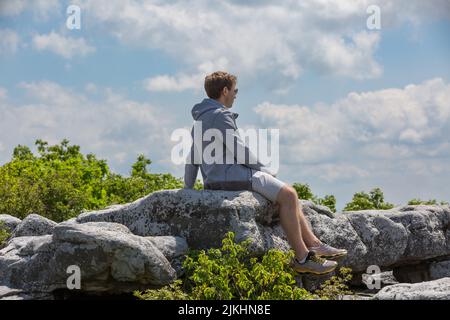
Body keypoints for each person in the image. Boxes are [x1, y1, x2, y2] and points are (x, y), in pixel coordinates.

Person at [184, 71, 347, 274]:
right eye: (235, 90)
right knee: (288, 195)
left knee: (289, 193)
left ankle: (314, 244)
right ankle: (303, 258)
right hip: (232, 177)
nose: (236, 94)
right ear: (224, 90)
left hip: (215, 180)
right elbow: (239, 150)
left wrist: (188, 189)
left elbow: (193, 157)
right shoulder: (220, 115)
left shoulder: (200, 119)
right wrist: (265, 170)